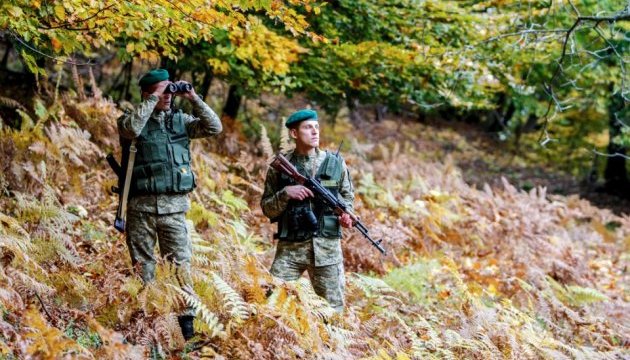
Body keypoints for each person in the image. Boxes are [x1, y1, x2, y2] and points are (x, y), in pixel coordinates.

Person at [117, 68, 222, 340]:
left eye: (169, 89)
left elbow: (214, 127)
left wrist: (193, 97)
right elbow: (130, 130)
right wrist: (153, 99)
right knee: (143, 268)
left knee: (180, 269)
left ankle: (186, 329)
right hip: (141, 209)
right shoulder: (131, 119)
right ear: (146, 92)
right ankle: (146, 326)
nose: (167, 95)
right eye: (160, 90)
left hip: (175, 209)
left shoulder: (181, 121)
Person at [261, 109, 354, 312]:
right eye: (308, 127)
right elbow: (268, 209)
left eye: (316, 127)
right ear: (294, 134)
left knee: (332, 311)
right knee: (270, 303)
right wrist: (285, 193)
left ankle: (329, 345)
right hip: (290, 249)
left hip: (327, 250)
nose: (314, 132)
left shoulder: (336, 164)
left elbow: (347, 198)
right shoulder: (280, 167)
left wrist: (346, 216)